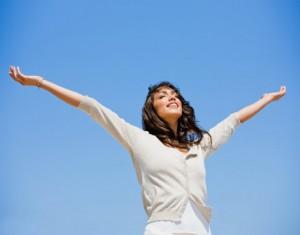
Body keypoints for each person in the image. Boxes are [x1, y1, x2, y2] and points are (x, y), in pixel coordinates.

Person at [8, 65, 287, 235]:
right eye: (162, 96)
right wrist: (40, 83)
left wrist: (266, 100)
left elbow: (233, 120)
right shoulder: (140, 140)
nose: (171, 97)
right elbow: (92, 107)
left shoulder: (197, 146)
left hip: (202, 230)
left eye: (174, 94)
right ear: (152, 110)